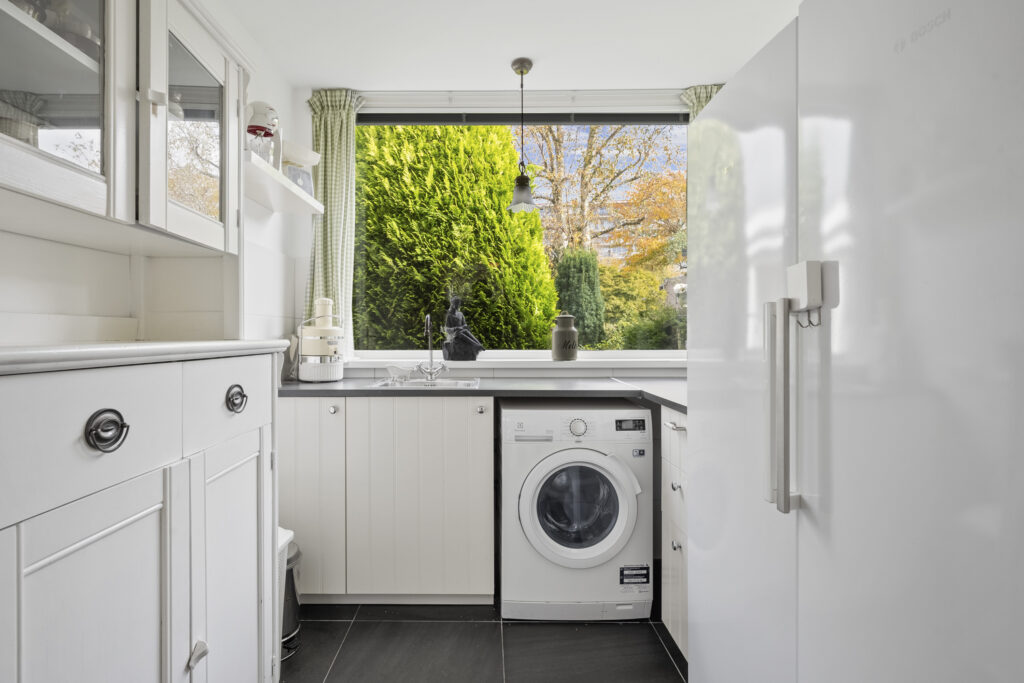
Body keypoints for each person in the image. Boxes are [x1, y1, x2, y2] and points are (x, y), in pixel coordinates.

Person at [442, 296, 484, 361]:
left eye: (458, 304)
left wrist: (465, 326)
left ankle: (478, 345)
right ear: (452, 304)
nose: (457, 305)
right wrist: (456, 328)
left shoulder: (460, 314)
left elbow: (464, 324)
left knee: (465, 331)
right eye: (456, 303)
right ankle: (476, 345)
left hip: (462, 332)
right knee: (460, 333)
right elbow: (447, 329)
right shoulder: (449, 315)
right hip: (453, 335)